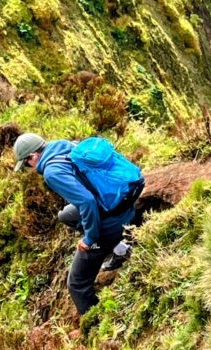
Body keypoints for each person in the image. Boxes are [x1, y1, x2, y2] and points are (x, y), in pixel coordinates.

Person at [13, 131, 145, 315]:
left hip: (113, 215)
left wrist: (90, 239)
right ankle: (119, 247)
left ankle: (96, 323)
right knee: (66, 215)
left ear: (33, 156)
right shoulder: (64, 145)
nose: (30, 169)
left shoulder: (52, 172)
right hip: (124, 198)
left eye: (27, 164)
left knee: (76, 284)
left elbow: (87, 202)